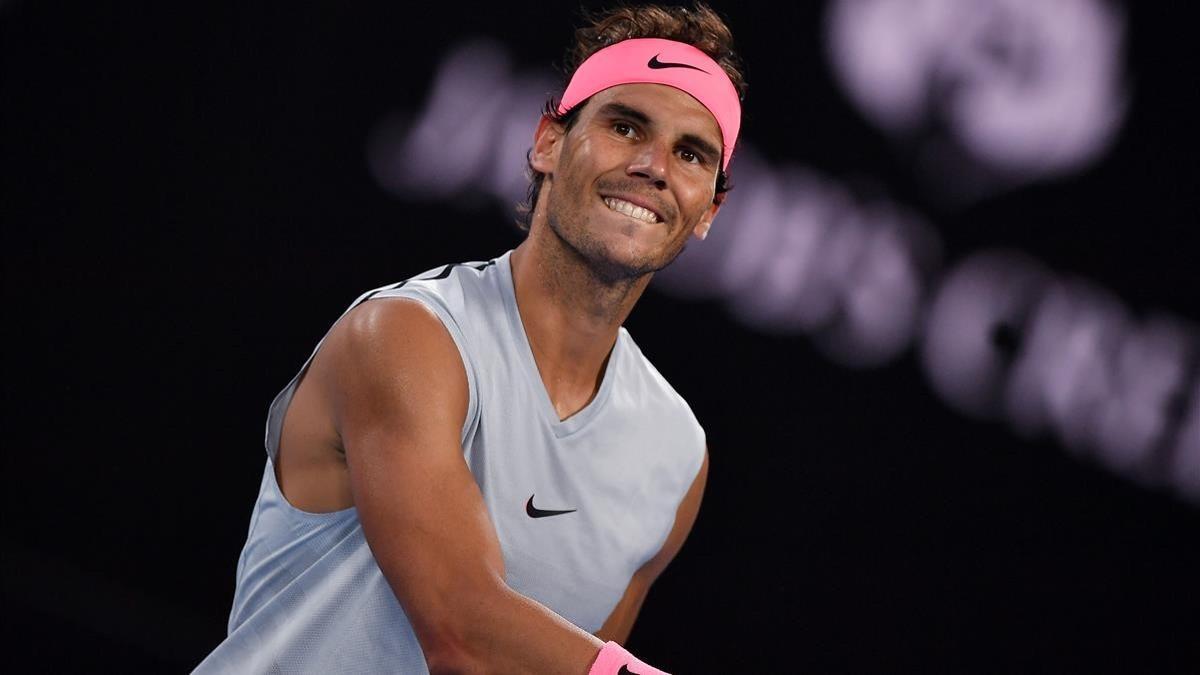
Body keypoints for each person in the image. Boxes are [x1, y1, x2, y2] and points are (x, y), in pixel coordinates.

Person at [194, 2, 747, 673]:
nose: (655, 165)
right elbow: (462, 632)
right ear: (549, 141)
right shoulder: (406, 335)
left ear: (709, 209)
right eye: (626, 126)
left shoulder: (676, 457)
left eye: (691, 154)